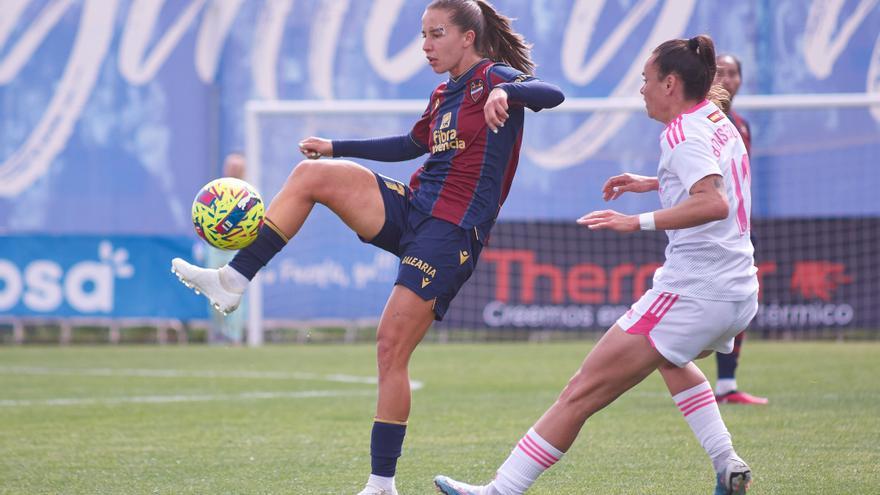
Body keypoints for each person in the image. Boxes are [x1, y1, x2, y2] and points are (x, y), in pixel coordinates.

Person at [171, 1, 564, 493]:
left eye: (437, 34)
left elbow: (552, 93)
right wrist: (336, 147)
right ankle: (233, 279)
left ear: (468, 37)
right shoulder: (444, 93)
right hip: (414, 209)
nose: (426, 46)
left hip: (450, 233)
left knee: (389, 348)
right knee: (311, 175)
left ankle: (381, 485)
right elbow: (410, 145)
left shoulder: (492, 78)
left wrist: (507, 90)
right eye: (423, 35)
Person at [434, 34, 755, 495]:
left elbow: (714, 202)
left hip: (695, 290)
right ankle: (727, 464)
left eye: (646, 79)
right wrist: (655, 181)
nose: (641, 89)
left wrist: (635, 221)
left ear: (669, 83)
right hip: (738, 290)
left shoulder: (681, 133)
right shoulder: (715, 118)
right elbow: (713, 178)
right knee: (670, 358)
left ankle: (499, 491)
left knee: (580, 391)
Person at [712, 54, 767, 405]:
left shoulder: (742, 125)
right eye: (719, 72)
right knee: (703, 308)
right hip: (709, 228)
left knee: (738, 304)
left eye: (732, 73)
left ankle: (726, 384)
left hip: (739, 227)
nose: (726, 79)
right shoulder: (703, 120)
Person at [205, 152, 249, 344]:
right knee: (213, 291)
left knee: (235, 293)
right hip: (215, 250)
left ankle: (235, 336)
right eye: (231, 166)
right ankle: (218, 333)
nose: (234, 170)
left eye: (237, 167)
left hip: (238, 251)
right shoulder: (215, 191)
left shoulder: (250, 195)